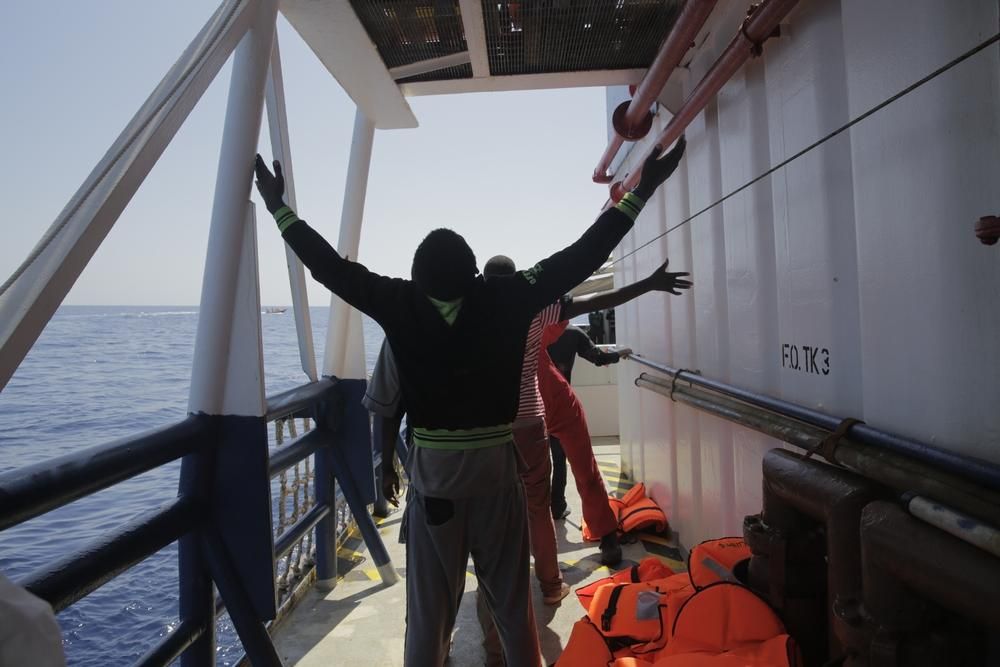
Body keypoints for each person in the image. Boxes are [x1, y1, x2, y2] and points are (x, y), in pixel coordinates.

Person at [253, 137, 685, 666]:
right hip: (498, 475)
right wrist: (643, 189)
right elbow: (582, 255)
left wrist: (278, 207)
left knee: (429, 616)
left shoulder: (398, 302)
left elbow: (329, 268)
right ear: (474, 272)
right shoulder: (508, 297)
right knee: (513, 609)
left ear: (418, 277)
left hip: (435, 482)